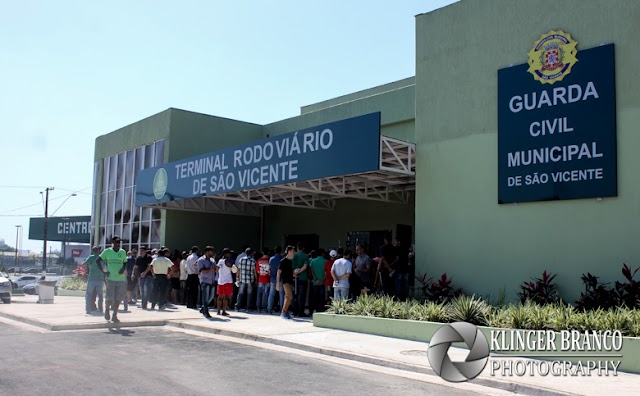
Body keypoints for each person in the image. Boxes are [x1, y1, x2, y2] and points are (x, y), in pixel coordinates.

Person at [96, 236, 127, 323]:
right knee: (109, 297)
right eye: (117, 242)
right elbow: (98, 260)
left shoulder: (122, 252)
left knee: (118, 298)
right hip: (110, 278)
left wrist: (123, 269)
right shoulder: (107, 251)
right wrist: (103, 271)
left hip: (120, 279)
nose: (118, 243)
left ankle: (115, 315)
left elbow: (125, 263)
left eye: (119, 242)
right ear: (113, 242)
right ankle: (107, 310)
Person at [276, 245, 295, 319]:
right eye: (293, 251)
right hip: (285, 281)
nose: (294, 253)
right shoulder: (283, 261)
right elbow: (279, 272)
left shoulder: (290, 262)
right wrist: (277, 283)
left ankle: (285, 311)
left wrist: (294, 273)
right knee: (289, 296)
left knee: (288, 296)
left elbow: (289, 272)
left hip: (290, 281)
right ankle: (283, 312)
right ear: (289, 252)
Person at [83, 246, 103, 315]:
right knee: (100, 295)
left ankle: (88, 309)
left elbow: (84, 264)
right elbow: (105, 267)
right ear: (98, 251)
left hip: (92, 278)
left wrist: (86, 270)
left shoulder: (91, 257)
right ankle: (100, 308)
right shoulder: (101, 258)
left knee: (89, 294)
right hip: (100, 278)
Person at [197, 246, 217, 318]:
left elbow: (215, 268)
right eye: (211, 251)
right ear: (207, 251)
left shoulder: (212, 260)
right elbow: (201, 271)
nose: (212, 253)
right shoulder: (201, 260)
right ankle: (206, 311)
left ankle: (203, 307)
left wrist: (216, 268)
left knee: (211, 296)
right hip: (205, 280)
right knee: (205, 297)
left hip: (212, 280)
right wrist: (210, 269)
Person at [236, 247, 257, 312]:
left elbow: (238, 269)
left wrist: (237, 277)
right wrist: (256, 279)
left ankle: (238, 306)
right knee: (249, 294)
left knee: (240, 293)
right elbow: (254, 271)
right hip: (250, 279)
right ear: (251, 253)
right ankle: (248, 307)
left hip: (242, 279)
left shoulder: (241, 260)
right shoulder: (253, 261)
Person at [292, 242, 309, 317]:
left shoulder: (293, 256)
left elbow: (290, 265)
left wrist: (294, 273)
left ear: (297, 248)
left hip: (294, 278)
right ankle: (300, 312)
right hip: (303, 278)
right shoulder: (305, 256)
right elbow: (305, 266)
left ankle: (294, 311)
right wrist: (299, 272)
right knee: (302, 296)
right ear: (303, 248)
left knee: (294, 295)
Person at [216, 248, 234, 316]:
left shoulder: (220, 261)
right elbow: (233, 269)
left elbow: (217, 269)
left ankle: (218, 311)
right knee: (226, 297)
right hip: (227, 281)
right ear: (226, 254)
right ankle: (223, 311)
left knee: (220, 296)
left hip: (220, 280)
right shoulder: (227, 261)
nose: (230, 254)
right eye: (229, 253)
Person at [308, 249, 326, 315]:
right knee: (321, 298)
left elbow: (311, 270)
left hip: (315, 282)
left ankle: (311, 311)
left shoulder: (313, 261)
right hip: (322, 282)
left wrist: (315, 279)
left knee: (313, 297)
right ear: (323, 254)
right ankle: (320, 310)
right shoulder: (325, 261)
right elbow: (326, 272)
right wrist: (322, 280)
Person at [267, 246, 283, 314]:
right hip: (281, 278)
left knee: (271, 294)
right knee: (282, 294)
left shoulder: (271, 259)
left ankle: (269, 308)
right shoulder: (282, 259)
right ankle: (282, 309)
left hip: (273, 278)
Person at [256, 247, 270, 312]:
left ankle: (258, 307)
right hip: (268, 279)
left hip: (261, 279)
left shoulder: (259, 260)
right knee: (266, 294)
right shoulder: (270, 260)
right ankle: (264, 307)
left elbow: (258, 271)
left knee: (259, 293)